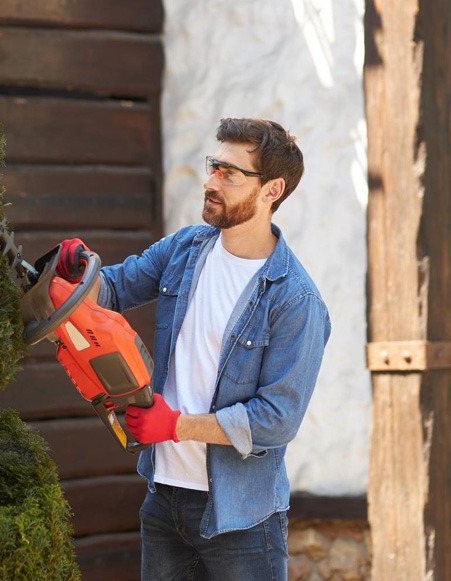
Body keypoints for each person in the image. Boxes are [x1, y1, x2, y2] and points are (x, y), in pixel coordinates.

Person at [54, 118, 330, 580]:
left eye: (229, 173)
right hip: (164, 499)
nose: (210, 181)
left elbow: (277, 419)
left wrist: (176, 425)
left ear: (272, 190)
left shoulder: (295, 300)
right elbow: (114, 289)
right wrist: (75, 272)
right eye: (213, 166)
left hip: (241, 521)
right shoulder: (186, 248)